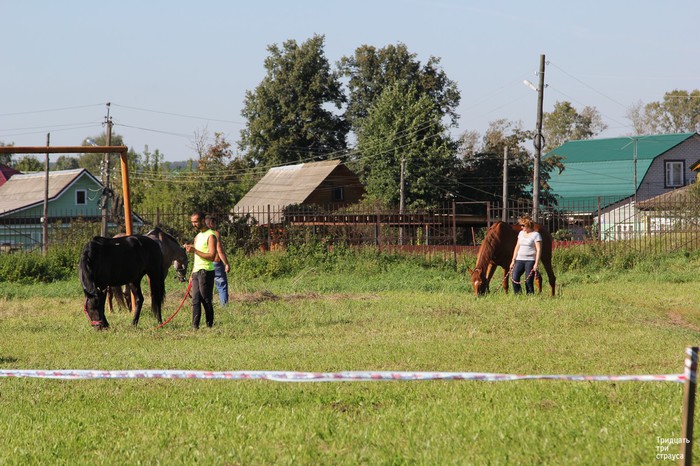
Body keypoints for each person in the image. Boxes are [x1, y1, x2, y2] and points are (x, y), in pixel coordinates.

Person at [184, 211, 217, 328]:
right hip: (196, 271)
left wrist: (195, 250)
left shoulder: (211, 235)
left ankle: (209, 325)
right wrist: (192, 274)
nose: (194, 224)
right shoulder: (197, 237)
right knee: (195, 299)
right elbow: (196, 258)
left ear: (203, 220)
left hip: (206, 271)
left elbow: (212, 256)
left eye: (196, 222)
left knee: (205, 299)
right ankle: (195, 326)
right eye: (192, 222)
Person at [509, 215, 542, 295]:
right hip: (519, 259)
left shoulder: (536, 235)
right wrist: (513, 260)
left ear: (528, 225)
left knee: (528, 280)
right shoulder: (521, 233)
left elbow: (538, 249)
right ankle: (518, 294)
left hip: (530, 260)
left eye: (523, 225)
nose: (521, 227)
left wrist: (536, 263)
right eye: (521, 225)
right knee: (514, 278)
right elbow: (517, 247)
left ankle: (530, 296)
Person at [205, 215, 230, 305]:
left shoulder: (201, 235)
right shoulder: (215, 234)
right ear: (211, 223)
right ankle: (224, 306)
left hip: (205, 263)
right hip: (216, 262)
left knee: (207, 286)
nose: (216, 225)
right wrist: (226, 263)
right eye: (215, 223)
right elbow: (219, 250)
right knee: (221, 285)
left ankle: (208, 305)